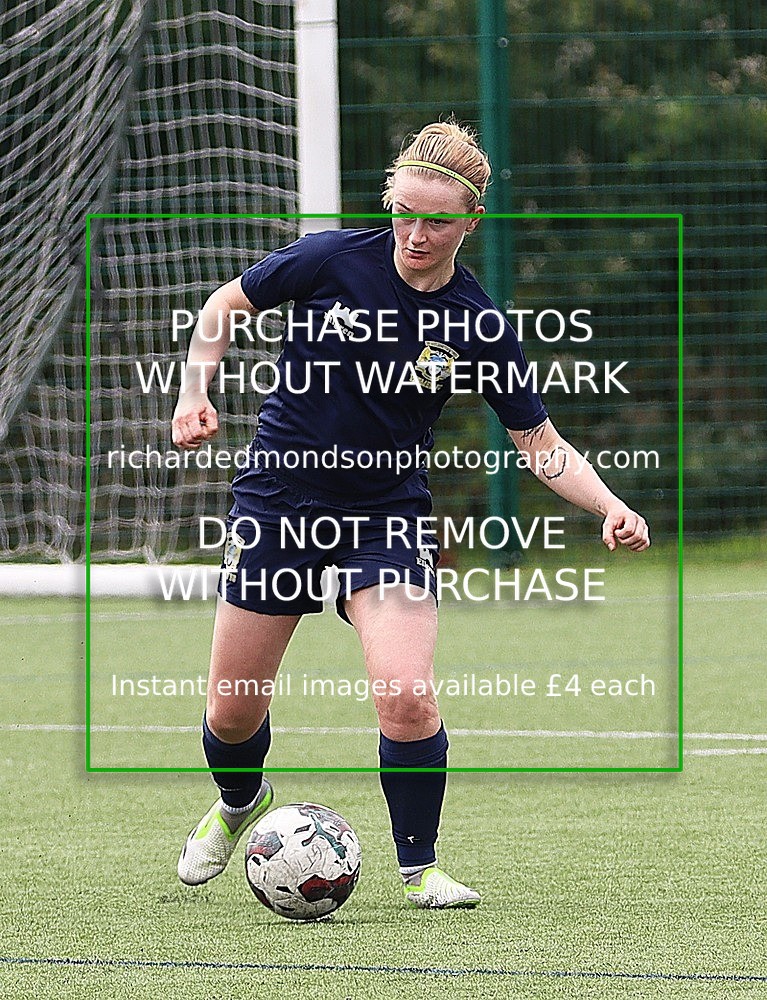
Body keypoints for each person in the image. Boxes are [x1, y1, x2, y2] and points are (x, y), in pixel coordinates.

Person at [171, 121, 650, 910]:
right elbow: (227, 303)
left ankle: (419, 869)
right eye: (402, 213)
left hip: (385, 517)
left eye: (435, 220)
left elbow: (539, 442)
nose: (415, 234)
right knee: (231, 709)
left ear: (471, 222)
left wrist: (609, 504)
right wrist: (195, 390)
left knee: (405, 693)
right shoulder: (331, 259)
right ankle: (238, 801)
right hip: (279, 502)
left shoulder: (476, 322)